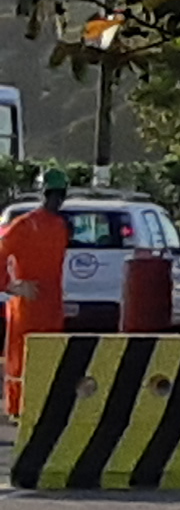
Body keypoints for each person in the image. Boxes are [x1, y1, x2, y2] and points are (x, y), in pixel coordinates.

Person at [0, 172, 70, 422]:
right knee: (22, 356)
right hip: (26, 306)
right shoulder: (24, 225)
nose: (56, 200)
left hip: (52, 305)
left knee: (49, 354)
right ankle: (18, 407)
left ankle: (44, 405)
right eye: (52, 195)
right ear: (43, 194)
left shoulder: (60, 226)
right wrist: (11, 286)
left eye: (60, 195)